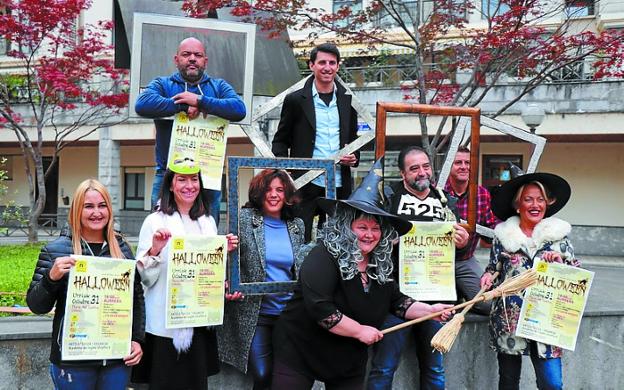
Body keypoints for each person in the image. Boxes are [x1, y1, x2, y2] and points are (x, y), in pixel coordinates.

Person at [270, 160, 453, 389]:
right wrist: (359, 330)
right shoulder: (322, 257)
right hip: (300, 349)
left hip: (347, 357)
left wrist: (429, 310)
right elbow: (322, 309)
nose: (369, 235)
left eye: (375, 228)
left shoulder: (380, 264)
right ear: (346, 227)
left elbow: (397, 302)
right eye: (362, 227)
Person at [368, 146, 471, 390]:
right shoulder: (389, 200)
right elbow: (371, 244)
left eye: (426, 166)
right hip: (396, 298)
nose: (422, 172)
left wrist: (463, 243)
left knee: (434, 369)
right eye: (414, 168)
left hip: (437, 296)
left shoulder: (446, 201)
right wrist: (387, 240)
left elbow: (456, 254)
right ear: (403, 173)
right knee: (384, 367)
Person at [26, 179, 144, 390]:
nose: (96, 212)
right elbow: (36, 306)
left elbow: (136, 300)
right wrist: (50, 278)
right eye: (88, 206)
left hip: (116, 359)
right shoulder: (56, 250)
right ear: (76, 211)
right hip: (73, 362)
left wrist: (137, 340)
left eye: (102, 205)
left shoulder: (122, 249)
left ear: (109, 209)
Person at [131, 161, 239, 390]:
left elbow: (210, 271)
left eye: (194, 179)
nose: (189, 185)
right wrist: (155, 250)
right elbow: (144, 279)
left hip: (198, 319)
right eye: (181, 179)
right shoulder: (154, 221)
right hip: (164, 324)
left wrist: (222, 250)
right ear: (170, 185)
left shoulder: (208, 222)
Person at [480, 171, 577, 390]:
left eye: (540, 199)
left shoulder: (559, 238)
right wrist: (487, 277)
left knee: (552, 383)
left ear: (547, 204)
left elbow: (576, 277)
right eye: (528, 199)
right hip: (509, 319)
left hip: (546, 321)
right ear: (518, 205)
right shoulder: (503, 237)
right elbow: (493, 269)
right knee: (508, 381)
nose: (535, 205)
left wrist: (561, 263)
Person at [135, 37, 246, 224]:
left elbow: (239, 109)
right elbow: (142, 104)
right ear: (176, 59)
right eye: (186, 54)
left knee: (206, 235)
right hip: (167, 174)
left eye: (198, 55)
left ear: (205, 61)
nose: (192, 58)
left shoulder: (218, 87)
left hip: (207, 177)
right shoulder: (162, 84)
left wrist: (201, 101)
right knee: (161, 230)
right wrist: (182, 106)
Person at [218, 169, 305, 389]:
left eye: (280, 190)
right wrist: (228, 281)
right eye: (268, 189)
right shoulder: (245, 219)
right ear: (259, 192)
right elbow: (229, 256)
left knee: (286, 375)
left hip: (288, 313)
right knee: (263, 372)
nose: (274, 194)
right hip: (256, 313)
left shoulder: (297, 225)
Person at [272, 42, 359, 242]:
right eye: (322, 62)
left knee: (338, 240)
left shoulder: (348, 101)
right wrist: (284, 169)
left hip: (338, 183)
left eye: (332, 63)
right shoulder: (295, 100)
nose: (327, 67)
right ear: (311, 65)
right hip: (305, 182)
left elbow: (355, 141)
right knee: (299, 238)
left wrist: (354, 158)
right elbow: (280, 140)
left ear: (338, 66)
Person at [443, 146, 499, 314]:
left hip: (465, 259)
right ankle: (457, 292)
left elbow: (490, 232)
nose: (464, 166)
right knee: (438, 307)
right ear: (449, 165)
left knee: (488, 305)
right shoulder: (436, 191)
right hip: (436, 260)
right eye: (458, 162)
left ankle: (463, 291)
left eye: (468, 163)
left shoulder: (482, 194)